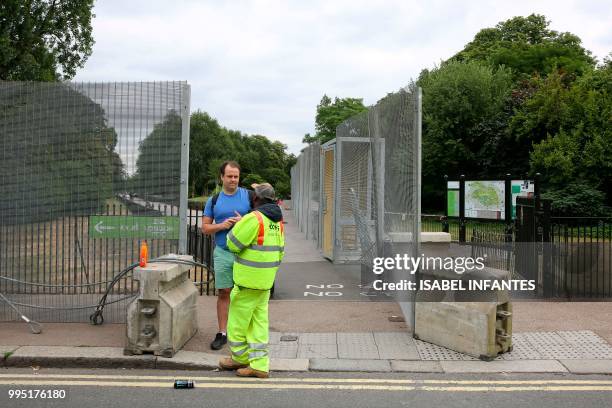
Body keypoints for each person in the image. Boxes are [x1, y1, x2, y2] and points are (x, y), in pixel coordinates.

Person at [219, 183, 285, 378]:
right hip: (265, 283)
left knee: (236, 323)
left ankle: (239, 358)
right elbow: (280, 251)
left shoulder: (254, 218)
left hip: (247, 281)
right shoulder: (278, 221)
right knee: (258, 324)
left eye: (252, 196)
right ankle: (259, 365)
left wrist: (239, 224)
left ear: (257, 199)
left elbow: (232, 243)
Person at [202, 161, 252, 350]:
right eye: (229, 176)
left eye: (236, 176)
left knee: (245, 294)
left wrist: (243, 221)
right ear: (221, 177)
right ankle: (222, 333)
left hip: (245, 254)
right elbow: (205, 228)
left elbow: (261, 219)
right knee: (224, 292)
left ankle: (243, 332)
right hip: (222, 252)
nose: (233, 180)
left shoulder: (248, 196)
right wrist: (222, 225)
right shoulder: (214, 200)